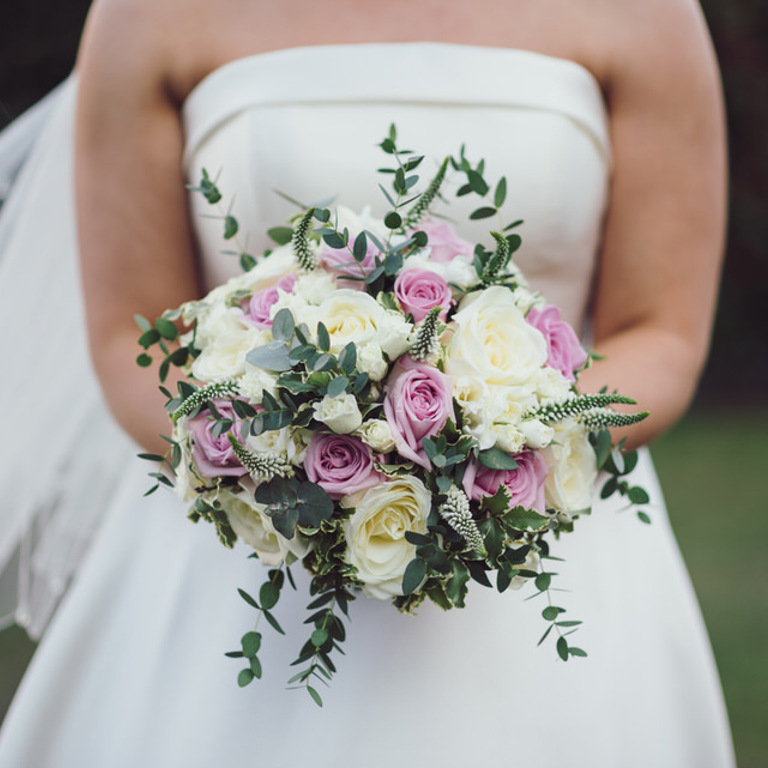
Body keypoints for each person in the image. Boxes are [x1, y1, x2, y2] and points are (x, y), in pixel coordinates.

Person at [0, 0, 735, 765]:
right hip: (250, 551)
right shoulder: (144, 15)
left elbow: (661, 332)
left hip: (544, 538)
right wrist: (277, 461)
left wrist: (493, 453)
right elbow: (132, 337)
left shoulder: (649, 15)